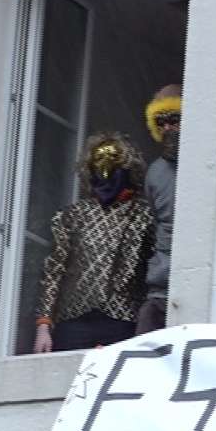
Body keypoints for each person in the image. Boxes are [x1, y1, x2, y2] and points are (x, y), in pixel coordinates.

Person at [33, 132, 155, 353]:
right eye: (98, 164)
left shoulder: (144, 215)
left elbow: (155, 267)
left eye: (113, 165)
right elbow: (54, 271)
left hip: (123, 320)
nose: (105, 172)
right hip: (74, 320)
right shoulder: (72, 215)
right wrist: (44, 325)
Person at [136, 84, 181, 334]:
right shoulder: (155, 172)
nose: (167, 128)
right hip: (160, 287)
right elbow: (155, 224)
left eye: (174, 120)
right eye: (160, 122)